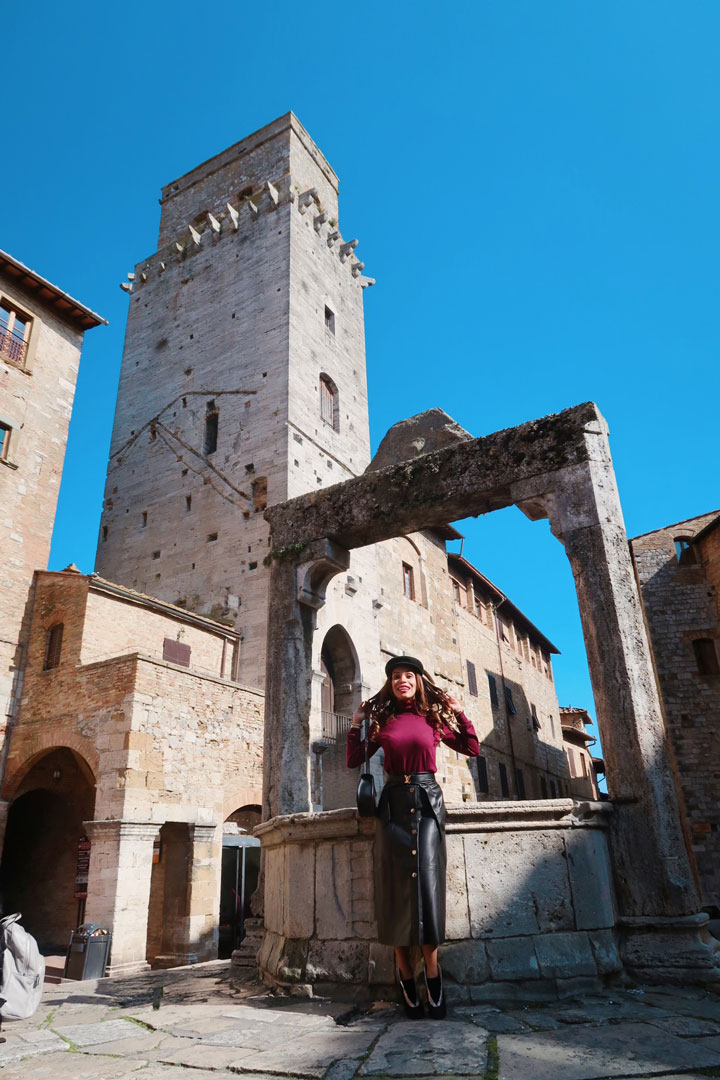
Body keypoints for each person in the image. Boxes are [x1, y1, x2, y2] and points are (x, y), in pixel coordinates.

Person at [346, 655, 479, 1019]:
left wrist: (458, 710)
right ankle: (406, 977)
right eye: (395, 676)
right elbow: (354, 757)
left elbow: (471, 747)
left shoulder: (432, 719)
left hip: (427, 805)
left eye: (408, 675)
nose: (401, 680)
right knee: (395, 892)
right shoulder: (384, 721)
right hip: (392, 808)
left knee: (427, 890)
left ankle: (433, 978)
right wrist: (356, 724)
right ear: (390, 684)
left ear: (419, 680)